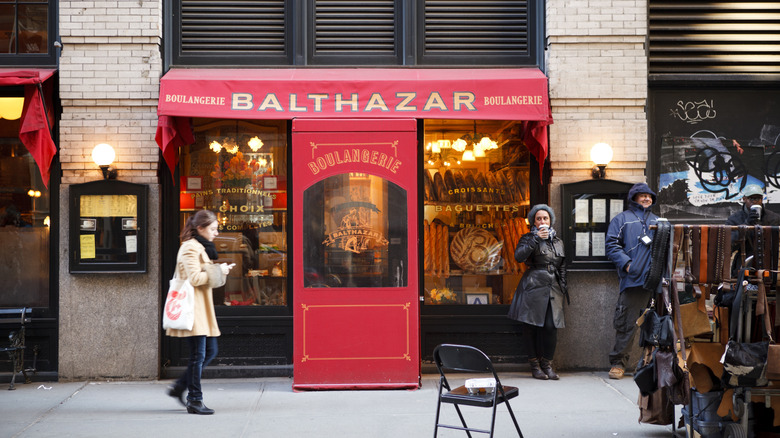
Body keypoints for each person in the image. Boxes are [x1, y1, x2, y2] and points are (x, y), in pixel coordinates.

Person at [166, 210, 233, 415]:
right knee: (198, 355)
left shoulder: (200, 247)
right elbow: (194, 278)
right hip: (193, 308)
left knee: (209, 352)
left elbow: (203, 276)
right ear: (200, 228)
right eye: (213, 229)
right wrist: (218, 271)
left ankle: (180, 387)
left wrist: (220, 270)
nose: (216, 233)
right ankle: (194, 399)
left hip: (201, 307)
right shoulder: (189, 247)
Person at [604, 182, 659, 380]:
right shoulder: (622, 219)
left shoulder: (658, 221)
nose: (647, 198)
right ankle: (618, 364)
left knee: (657, 325)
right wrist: (628, 265)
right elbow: (611, 245)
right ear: (634, 198)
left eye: (649, 196)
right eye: (642, 195)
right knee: (627, 324)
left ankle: (651, 363)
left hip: (657, 281)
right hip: (634, 280)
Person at [508, 204, 567, 380]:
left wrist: (563, 284)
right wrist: (535, 239)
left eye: (545, 218)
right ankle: (535, 366)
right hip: (533, 285)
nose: (542, 221)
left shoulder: (558, 241)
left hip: (553, 287)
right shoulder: (528, 238)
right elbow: (519, 256)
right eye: (538, 219)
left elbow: (562, 264)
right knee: (530, 327)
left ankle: (547, 365)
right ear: (534, 222)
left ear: (550, 221)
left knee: (551, 326)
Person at [725, 184, 780, 274]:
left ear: (762, 199)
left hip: (768, 262)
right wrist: (747, 224)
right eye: (751, 198)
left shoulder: (773, 218)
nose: (755, 202)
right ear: (744, 199)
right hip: (743, 262)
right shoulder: (735, 219)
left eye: (758, 198)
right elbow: (729, 246)